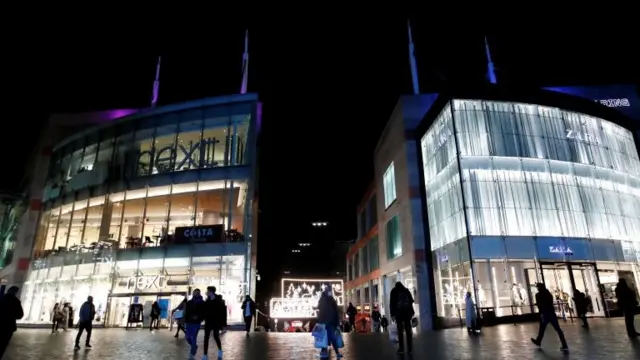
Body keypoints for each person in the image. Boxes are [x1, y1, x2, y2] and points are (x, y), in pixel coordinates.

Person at [530, 283, 569, 351]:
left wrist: (541, 313)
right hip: (551, 313)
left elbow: (540, 305)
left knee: (542, 328)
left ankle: (538, 341)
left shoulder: (538, 295)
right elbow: (549, 303)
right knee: (558, 329)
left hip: (545, 314)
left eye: (538, 287)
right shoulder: (548, 294)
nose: (537, 288)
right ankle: (564, 344)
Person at [390, 282, 415, 355]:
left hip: (399, 314)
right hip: (407, 314)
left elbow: (391, 303)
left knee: (400, 331)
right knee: (408, 331)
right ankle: (410, 349)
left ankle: (401, 349)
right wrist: (412, 312)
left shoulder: (394, 291)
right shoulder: (406, 290)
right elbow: (411, 301)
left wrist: (392, 314)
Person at [317, 288, 343, 359]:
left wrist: (337, 323)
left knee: (328, 338)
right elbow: (335, 311)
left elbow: (336, 311)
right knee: (330, 338)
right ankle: (332, 352)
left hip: (328, 323)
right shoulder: (326, 300)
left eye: (330, 292)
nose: (330, 293)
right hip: (327, 323)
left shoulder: (329, 300)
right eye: (329, 291)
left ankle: (325, 352)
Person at [202, 286, 226, 360]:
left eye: (208, 291)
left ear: (212, 292)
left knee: (216, 336)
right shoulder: (207, 301)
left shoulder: (220, 300)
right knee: (206, 338)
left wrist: (223, 324)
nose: (207, 292)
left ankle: (220, 350)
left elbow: (223, 313)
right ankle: (205, 355)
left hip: (216, 321)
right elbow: (204, 311)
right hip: (208, 322)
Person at [0, 286, 24, 359]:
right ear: (15, 292)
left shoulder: (1, 298)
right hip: (8, 326)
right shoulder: (16, 301)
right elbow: (20, 315)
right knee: (2, 345)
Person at [184, 289, 205, 359]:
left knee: (193, 338)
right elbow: (186, 312)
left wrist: (198, 317)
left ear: (199, 293)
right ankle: (194, 346)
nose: (196, 294)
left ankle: (192, 354)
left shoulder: (202, 303)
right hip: (189, 322)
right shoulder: (189, 302)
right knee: (187, 337)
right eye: (195, 293)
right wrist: (185, 321)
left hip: (196, 323)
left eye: (197, 293)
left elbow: (204, 313)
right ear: (193, 293)